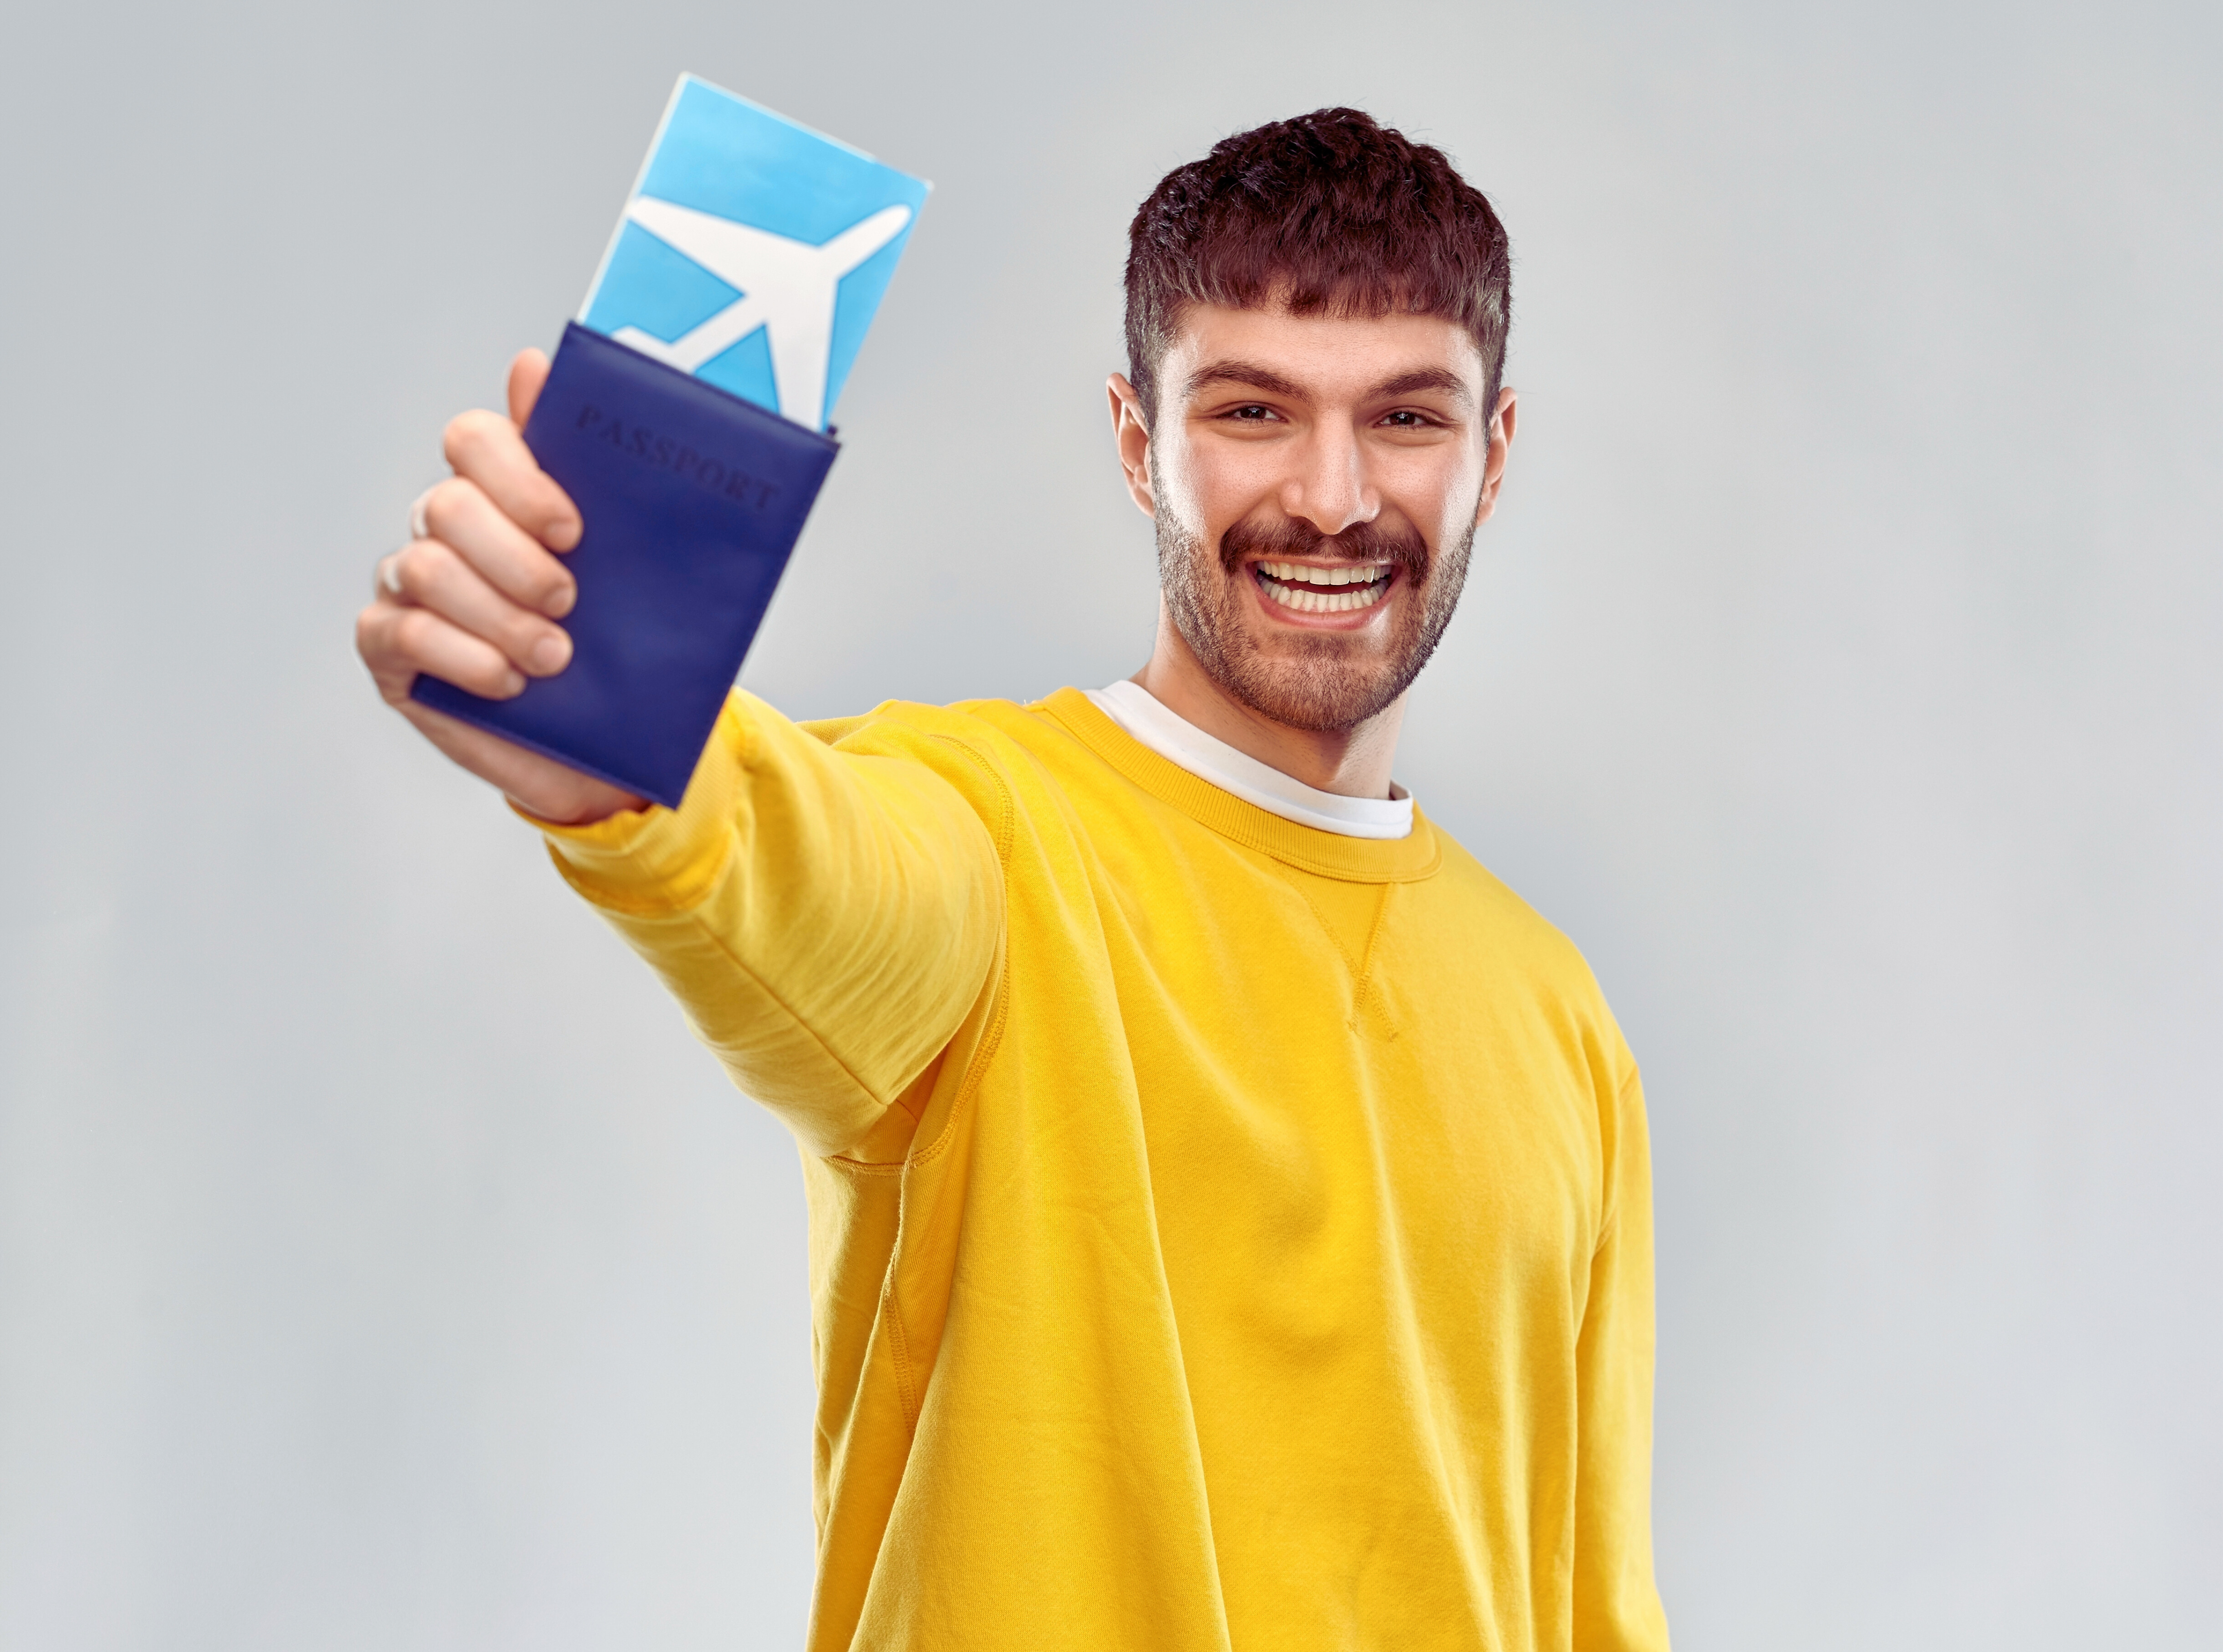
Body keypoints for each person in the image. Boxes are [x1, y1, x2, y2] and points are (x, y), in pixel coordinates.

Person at [356, 106, 1668, 1651]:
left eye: (1408, 418)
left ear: (1493, 455)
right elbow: (804, 878)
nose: (1330, 495)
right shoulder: (987, 835)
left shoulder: (1555, 1010)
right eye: (1251, 411)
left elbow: (1592, 1603)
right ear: (1137, 439)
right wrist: (621, 748)